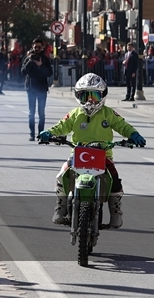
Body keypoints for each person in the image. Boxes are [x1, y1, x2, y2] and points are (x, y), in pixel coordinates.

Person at [38, 73, 146, 228]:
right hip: (78, 154)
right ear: (78, 96)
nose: (89, 101)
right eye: (85, 96)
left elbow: (123, 126)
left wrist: (134, 135)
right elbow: (61, 126)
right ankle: (60, 208)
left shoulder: (108, 113)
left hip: (103, 155)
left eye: (94, 95)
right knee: (62, 175)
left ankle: (116, 213)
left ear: (102, 95)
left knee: (114, 180)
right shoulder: (75, 114)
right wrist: (49, 133)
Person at [21, 39, 54, 141]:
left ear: (42, 47)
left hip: (42, 89)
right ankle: (32, 134)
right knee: (31, 113)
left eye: (39, 47)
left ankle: (41, 134)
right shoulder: (28, 58)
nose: (37, 49)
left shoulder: (45, 59)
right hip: (31, 88)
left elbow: (49, 73)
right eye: (35, 47)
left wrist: (41, 65)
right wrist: (30, 62)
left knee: (41, 113)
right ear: (32, 47)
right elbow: (23, 71)